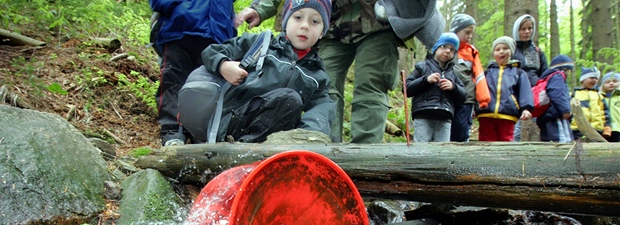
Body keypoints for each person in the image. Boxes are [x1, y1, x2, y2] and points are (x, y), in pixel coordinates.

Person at [236, 0, 445, 143]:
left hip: (379, 22)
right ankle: (329, 154)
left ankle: (366, 161)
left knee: (372, 87)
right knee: (323, 89)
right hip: (331, 24)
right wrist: (260, 8)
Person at [188, 0, 334, 143]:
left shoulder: (317, 77)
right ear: (285, 21)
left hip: (274, 139)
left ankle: (257, 157)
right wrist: (223, 65)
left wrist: (307, 139)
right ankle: (244, 151)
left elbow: (319, 117)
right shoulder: (260, 44)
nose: (305, 26)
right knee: (289, 99)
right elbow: (211, 52)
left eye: (315, 21)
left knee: (291, 104)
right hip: (231, 122)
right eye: (297, 17)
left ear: (322, 32)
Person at [149, 0, 237, 146]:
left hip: (217, 35)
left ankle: (200, 133)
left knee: (209, 87)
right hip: (178, 29)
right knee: (174, 80)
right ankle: (172, 131)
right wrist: (181, 8)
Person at [405, 33, 466, 142]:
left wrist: (453, 87)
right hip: (423, 113)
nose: (447, 51)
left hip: (445, 116)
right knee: (421, 150)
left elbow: (463, 97)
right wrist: (425, 80)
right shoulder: (422, 67)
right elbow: (407, 89)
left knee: (442, 151)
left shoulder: (454, 72)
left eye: (452, 49)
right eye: (444, 46)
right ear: (436, 48)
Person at [476, 36, 533, 142]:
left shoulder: (518, 73)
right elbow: (479, 90)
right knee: (486, 141)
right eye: (497, 49)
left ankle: (505, 159)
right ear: (493, 53)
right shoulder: (487, 73)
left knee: (506, 141)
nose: (501, 52)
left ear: (511, 52)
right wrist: (475, 108)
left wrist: (526, 108)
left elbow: (525, 92)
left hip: (507, 114)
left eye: (505, 48)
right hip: (486, 113)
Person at [448, 14, 490, 142]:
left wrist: (483, 99)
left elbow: (479, 75)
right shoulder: (445, 47)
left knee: (462, 127)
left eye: (471, 33)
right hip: (447, 96)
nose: (470, 36)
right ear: (456, 30)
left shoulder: (471, 51)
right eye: (467, 32)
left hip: (467, 98)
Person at [512, 14, 548, 142]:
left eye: (530, 28)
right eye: (523, 29)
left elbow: (545, 75)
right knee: (515, 131)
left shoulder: (538, 52)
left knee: (535, 130)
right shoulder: (511, 50)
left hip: (534, 97)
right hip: (515, 95)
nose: (527, 32)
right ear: (517, 30)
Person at [535, 55, 574, 143]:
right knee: (563, 142)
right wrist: (565, 110)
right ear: (564, 69)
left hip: (546, 116)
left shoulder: (548, 77)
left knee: (548, 141)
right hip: (555, 115)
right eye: (569, 70)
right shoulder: (557, 76)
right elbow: (557, 93)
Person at [571, 67, 612, 140]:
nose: (594, 80)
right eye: (591, 77)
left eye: (596, 78)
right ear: (583, 79)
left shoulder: (599, 95)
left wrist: (607, 128)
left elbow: (605, 113)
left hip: (597, 129)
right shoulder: (574, 94)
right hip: (577, 129)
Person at [600, 71, 620, 142]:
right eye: (607, 82)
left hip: (618, 128)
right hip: (604, 130)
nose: (611, 83)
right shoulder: (600, 97)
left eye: (615, 81)